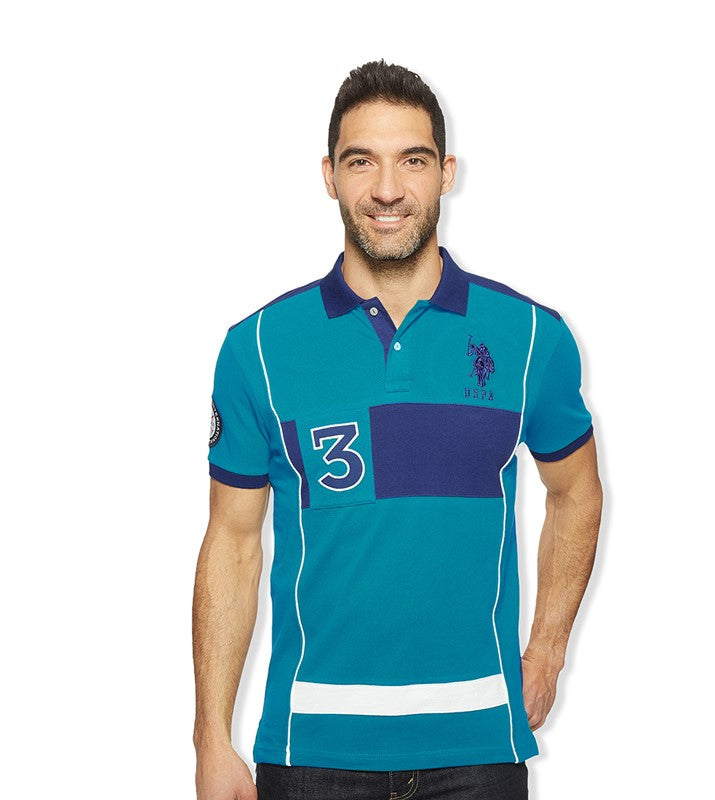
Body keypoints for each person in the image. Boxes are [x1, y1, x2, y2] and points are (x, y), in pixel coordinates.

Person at [192, 59, 603, 800]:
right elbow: (233, 542)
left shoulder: (529, 338)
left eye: (412, 160)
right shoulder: (258, 348)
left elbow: (576, 492)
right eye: (362, 162)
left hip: (480, 745)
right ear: (329, 176)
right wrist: (212, 739)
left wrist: (546, 650)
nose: (387, 189)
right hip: (311, 749)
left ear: (446, 173)